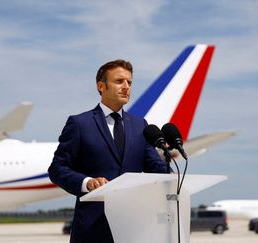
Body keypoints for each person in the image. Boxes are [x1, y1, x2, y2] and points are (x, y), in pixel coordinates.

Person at [48, 59, 170, 243]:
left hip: (134, 227)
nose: (126, 87)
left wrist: (172, 175)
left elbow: (154, 165)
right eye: (119, 81)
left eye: (129, 82)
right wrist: (87, 183)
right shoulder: (80, 123)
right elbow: (57, 169)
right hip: (93, 229)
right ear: (101, 86)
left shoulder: (139, 126)